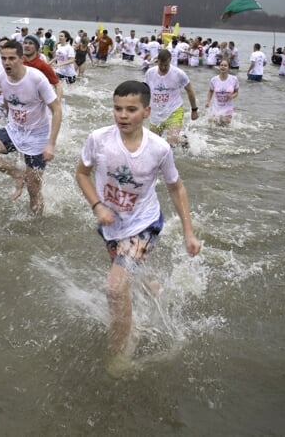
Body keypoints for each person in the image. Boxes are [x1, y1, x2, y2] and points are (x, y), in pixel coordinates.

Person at [74, 80, 202, 363]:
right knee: (126, 275)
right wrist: (97, 205)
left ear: (146, 112)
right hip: (109, 223)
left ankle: (119, 354)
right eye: (117, 109)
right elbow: (81, 174)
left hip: (145, 224)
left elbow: (176, 187)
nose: (122, 115)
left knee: (115, 289)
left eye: (131, 109)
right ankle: (152, 286)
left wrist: (188, 233)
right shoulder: (98, 139)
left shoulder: (159, 149)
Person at [0, 39, 62, 216]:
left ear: (21, 59)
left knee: (33, 191)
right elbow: (7, 100)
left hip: (37, 137)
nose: (7, 63)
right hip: (14, 130)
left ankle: (36, 226)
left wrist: (51, 143)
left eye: (11, 58)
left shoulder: (37, 78)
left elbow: (57, 110)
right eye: (3, 58)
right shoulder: (1, 77)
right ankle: (17, 173)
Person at [144, 49, 198, 148]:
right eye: (161, 65)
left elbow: (190, 91)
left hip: (174, 110)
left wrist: (194, 110)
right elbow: (146, 91)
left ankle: (182, 140)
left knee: (172, 140)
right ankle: (181, 141)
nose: (163, 67)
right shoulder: (150, 73)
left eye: (166, 65)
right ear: (157, 60)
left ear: (170, 60)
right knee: (154, 144)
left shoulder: (179, 74)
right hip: (156, 112)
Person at [205, 60, 240, 126]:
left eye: (225, 65)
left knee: (225, 126)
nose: (223, 67)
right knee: (211, 125)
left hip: (227, 107)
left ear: (228, 68)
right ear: (219, 67)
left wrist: (232, 96)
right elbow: (210, 91)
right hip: (216, 106)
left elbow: (236, 92)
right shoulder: (214, 79)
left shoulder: (234, 79)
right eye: (221, 65)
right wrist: (208, 101)